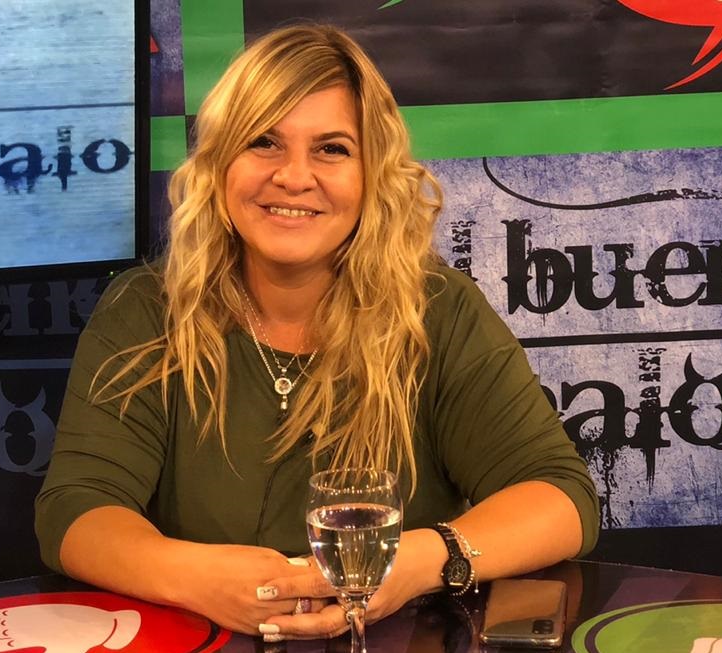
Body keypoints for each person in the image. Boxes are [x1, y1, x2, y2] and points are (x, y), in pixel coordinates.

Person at [34, 24, 599, 642]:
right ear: (220, 164)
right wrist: (193, 577)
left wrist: (413, 564)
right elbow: (77, 512)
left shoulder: (436, 310)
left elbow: (561, 500)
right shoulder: (147, 309)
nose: (293, 176)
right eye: (263, 142)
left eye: (331, 149)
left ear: (372, 173)